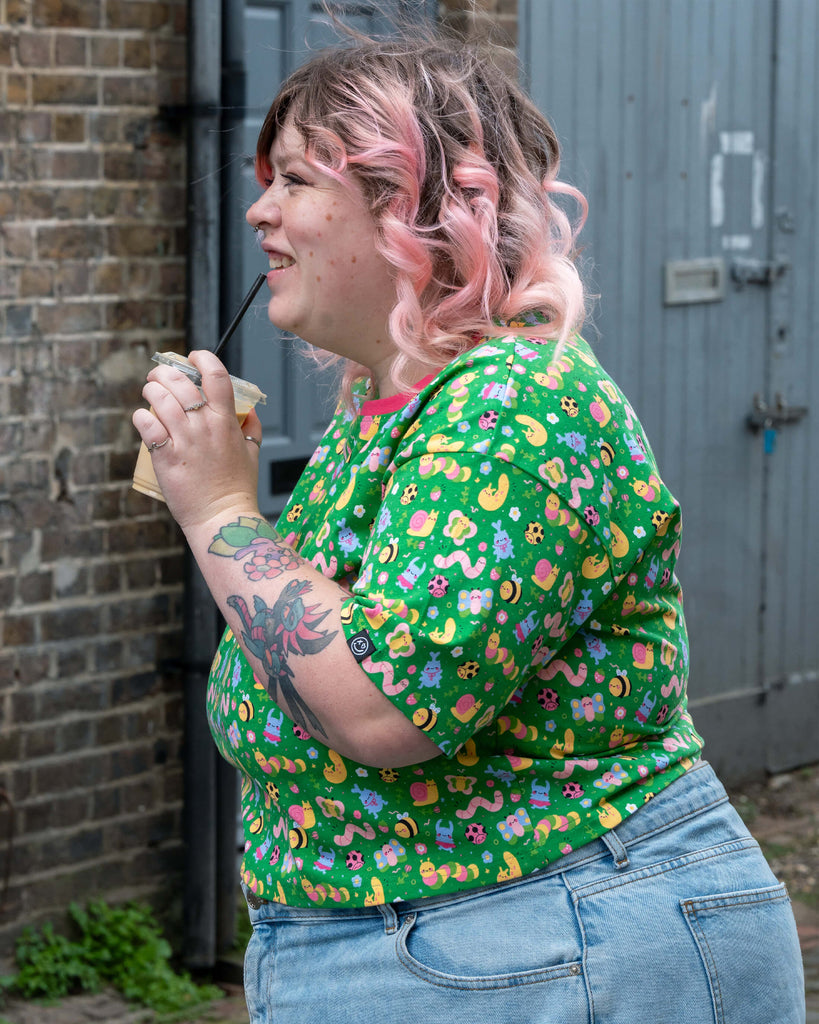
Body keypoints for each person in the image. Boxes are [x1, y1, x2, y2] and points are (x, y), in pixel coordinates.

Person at [132, 22, 806, 1024]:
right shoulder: (390, 408)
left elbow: (378, 706)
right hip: (460, 951)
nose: (259, 211)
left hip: (557, 942)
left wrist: (223, 510)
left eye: (299, 180)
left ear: (409, 207)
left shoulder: (516, 406)